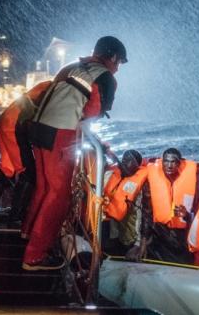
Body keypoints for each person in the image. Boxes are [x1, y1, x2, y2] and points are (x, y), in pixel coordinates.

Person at [21, 36, 126, 270]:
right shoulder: (105, 76)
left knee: (44, 188)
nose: (117, 68)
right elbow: (94, 110)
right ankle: (34, 256)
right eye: (118, 62)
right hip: (60, 133)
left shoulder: (70, 67)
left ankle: (28, 234)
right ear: (111, 58)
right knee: (60, 196)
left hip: (38, 128)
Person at [0, 80, 53, 227]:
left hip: (7, 119)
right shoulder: (58, 90)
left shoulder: (50, 85)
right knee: (29, 172)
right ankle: (16, 218)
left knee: (7, 171)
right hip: (15, 124)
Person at [130, 148, 199, 264]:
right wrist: (142, 244)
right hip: (160, 234)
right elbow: (146, 213)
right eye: (166, 161)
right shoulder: (152, 180)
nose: (169, 165)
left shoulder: (195, 180)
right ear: (162, 161)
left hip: (182, 237)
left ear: (179, 163)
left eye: (173, 162)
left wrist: (187, 215)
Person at [103, 150, 148, 252]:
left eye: (129, 160)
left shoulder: (141, 186)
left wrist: (138, 244)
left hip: (131, 235)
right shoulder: (112, 175)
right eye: (123, 158)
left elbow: (142, 216)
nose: (124, 161)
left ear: (137, 165)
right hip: (112, 229)